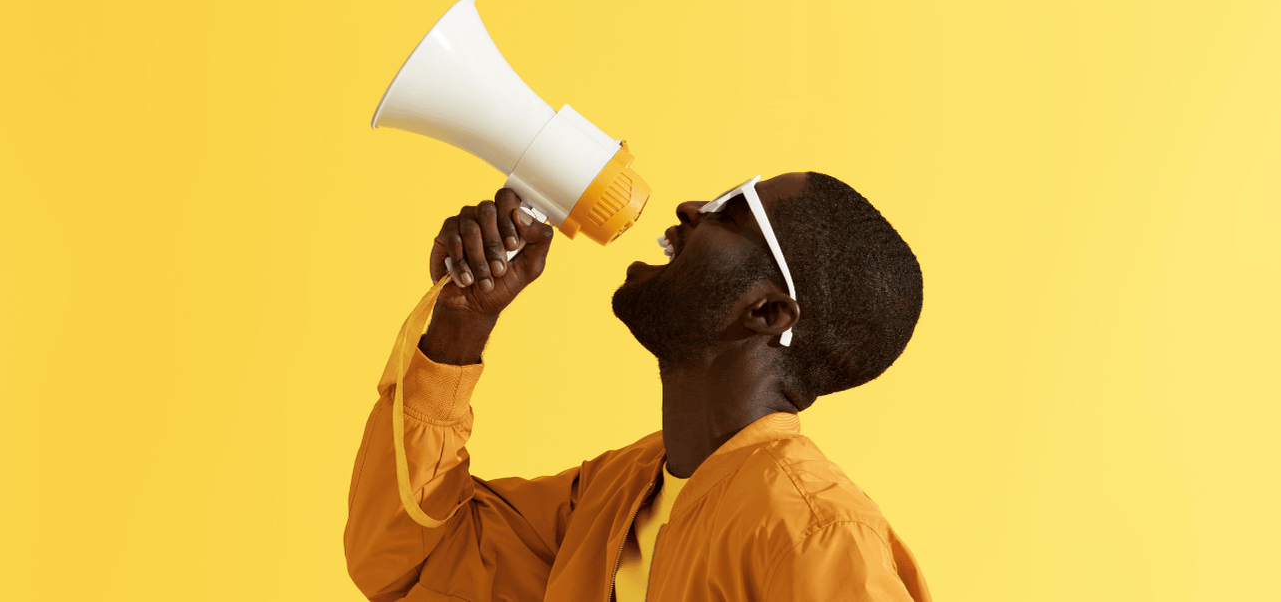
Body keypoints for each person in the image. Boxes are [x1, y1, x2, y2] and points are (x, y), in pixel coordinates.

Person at [344, 172, 931, 601]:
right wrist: (461, 322)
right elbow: (410, 564)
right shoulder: (617, 495)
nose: (691, 206)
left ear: (767, 312)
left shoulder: (816, 536)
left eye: (731, 211)